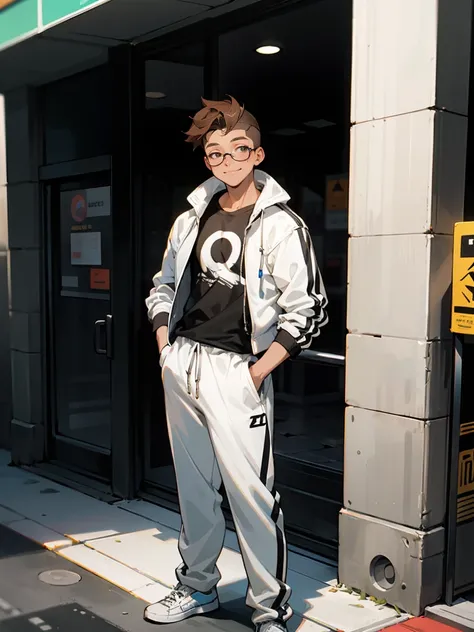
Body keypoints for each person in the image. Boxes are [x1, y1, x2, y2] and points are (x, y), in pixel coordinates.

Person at [144, 96, 328, 632]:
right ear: (207, 159)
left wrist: (258, 370)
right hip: (184, 365)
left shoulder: (281, 224)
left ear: (258, 152)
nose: (227, 161)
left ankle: (269, 608)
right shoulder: (190, 218)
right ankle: (198, 587)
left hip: (239, 371)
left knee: (252, 495)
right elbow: (161, 288)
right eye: (216, 153)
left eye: (238, 149)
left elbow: (308, 307)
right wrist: (165, 348)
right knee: (194, 488)